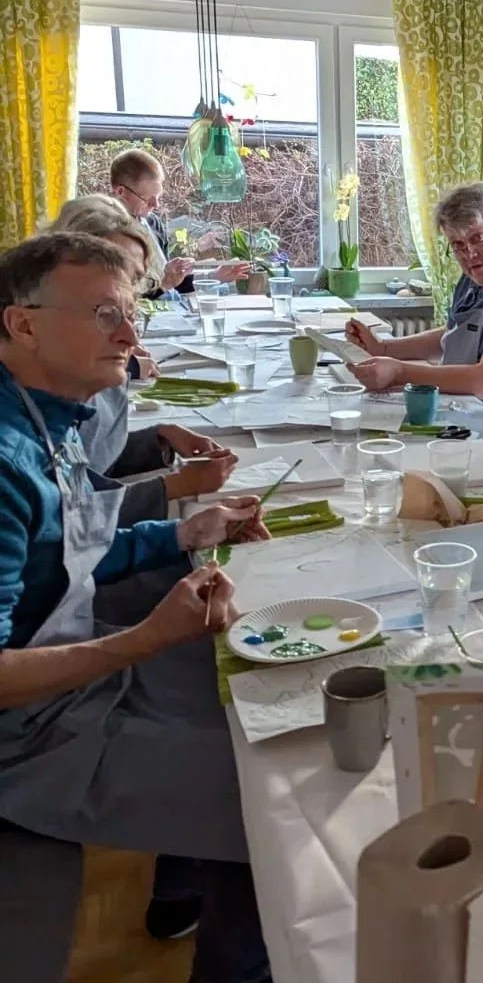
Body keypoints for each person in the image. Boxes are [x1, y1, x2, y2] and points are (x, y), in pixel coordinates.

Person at [0, 233, 273, 981]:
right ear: (21, 324)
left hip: (75, 666)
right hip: (30, 734)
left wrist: (186, 530)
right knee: (274, 793)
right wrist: (147, 639)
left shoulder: (45, 413)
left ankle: (198, 901)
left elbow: (72, 546)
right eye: (103, 315)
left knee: (263, 692)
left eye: (130, 314)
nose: (129, 336)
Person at [44, 196, 237, 525]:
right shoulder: (45, 374)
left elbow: (84, 463)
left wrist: (157, 439)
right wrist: (172, 489)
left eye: (133, 283)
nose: (131, 335)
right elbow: (66, 519)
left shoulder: (87, 352)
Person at [346, 183, 483, 461]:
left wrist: (398, 372)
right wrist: (383, 348)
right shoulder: (476, 277)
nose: (469, 254)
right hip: (471, 416)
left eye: (479, 239)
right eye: (458, 245)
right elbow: (454, 335)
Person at [109, 147, 248, 295]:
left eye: (158, 197)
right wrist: (165, 283)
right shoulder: (106, 233)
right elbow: (120, 298)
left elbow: (170, 286)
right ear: (120, 192)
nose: (156, 205)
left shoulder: (152, 223)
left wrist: (215, 275)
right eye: (147, 199)